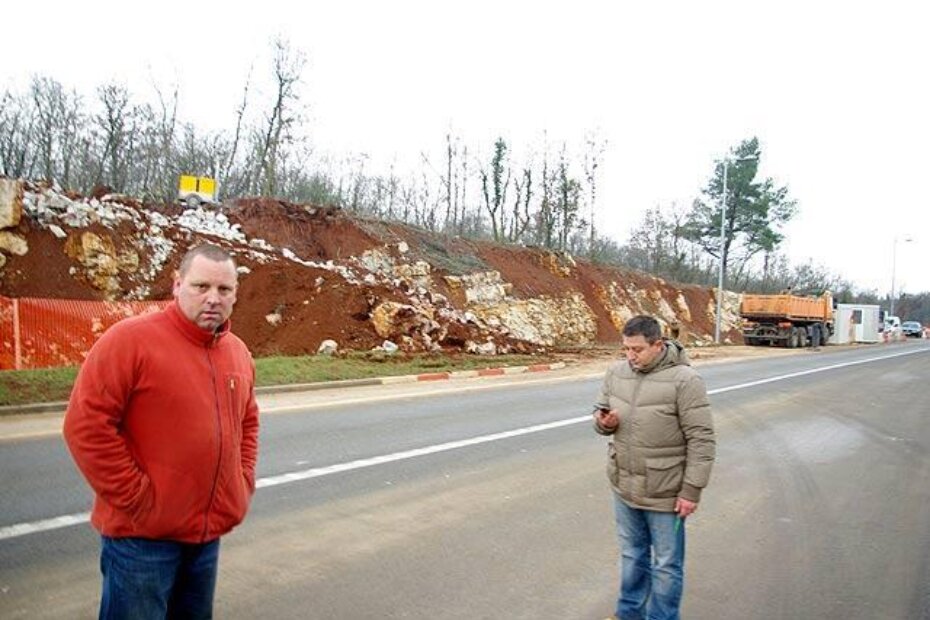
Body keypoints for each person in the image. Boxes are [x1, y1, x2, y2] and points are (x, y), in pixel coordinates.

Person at [64, 243, 260, 619]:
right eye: (201, 286)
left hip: (205, 538)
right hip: (142, 542)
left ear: (236, 294)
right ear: (177, 284)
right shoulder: (129, 341)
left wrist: (241, 480)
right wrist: (139, 501)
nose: (213, 298)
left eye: (224, 289)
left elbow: (247, 421)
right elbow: (86, 425)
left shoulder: (236, 352)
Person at [593, 315, 715, 620]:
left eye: (637, 349)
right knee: (632, 555)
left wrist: (691, 490)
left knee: (666, 565)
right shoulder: (616, 373)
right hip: (624, 486)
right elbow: (599, 415)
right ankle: (629, 613)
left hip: (666, 493)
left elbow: (701, 439)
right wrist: (604, 423)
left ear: (658, 345)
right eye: (626, 349)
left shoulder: (686, 381)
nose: (630, 356)